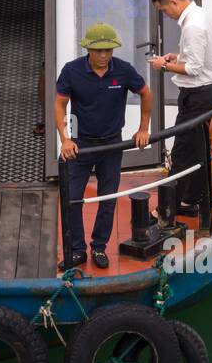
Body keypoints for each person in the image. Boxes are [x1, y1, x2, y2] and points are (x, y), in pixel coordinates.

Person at [54, 23, 152, 269]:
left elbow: (146, 93)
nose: (104, 55)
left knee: (108, 199)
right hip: (81, 146)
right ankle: (77, 250)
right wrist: (65, 139)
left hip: (111, 145)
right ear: (88, 48)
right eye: (98, 50)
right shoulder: (71, 71)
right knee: (71, 198)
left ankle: (99, 247)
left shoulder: (124, 70)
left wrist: (143, 128)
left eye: (108, 50)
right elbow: (59, 104)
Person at [150, 0, 212, 216]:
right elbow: (199, 56)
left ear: (173, 2)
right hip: (207, 92)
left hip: (196, 97)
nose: (166, 15)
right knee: (197, 150)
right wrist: (176, 56)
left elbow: (193, 68)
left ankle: (167, 210)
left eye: (163, 10)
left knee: (181, 152)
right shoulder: (201, 14)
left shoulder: (192, 26)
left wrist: (163, 66)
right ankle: (192, 201)